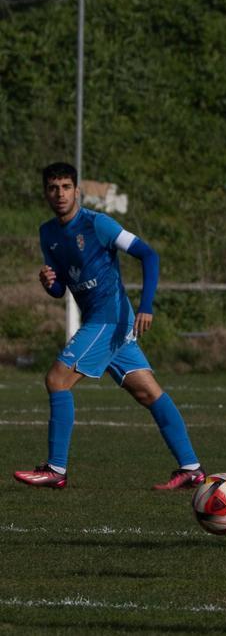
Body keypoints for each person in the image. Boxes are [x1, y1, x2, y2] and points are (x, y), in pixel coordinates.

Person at [15, 162, 204, 490]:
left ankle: (56, 470)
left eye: (65, 187)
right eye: (52, 188)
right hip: (101, 322)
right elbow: (61, 289)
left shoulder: (98, 224)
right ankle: (191, 469)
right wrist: (49, 283)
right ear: (45, 192)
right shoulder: (48, 233)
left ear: (77, 190)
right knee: (148, 392)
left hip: (110, 318)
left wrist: (146, 306)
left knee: (57, 380)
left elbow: (149, 255)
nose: (59, 194)